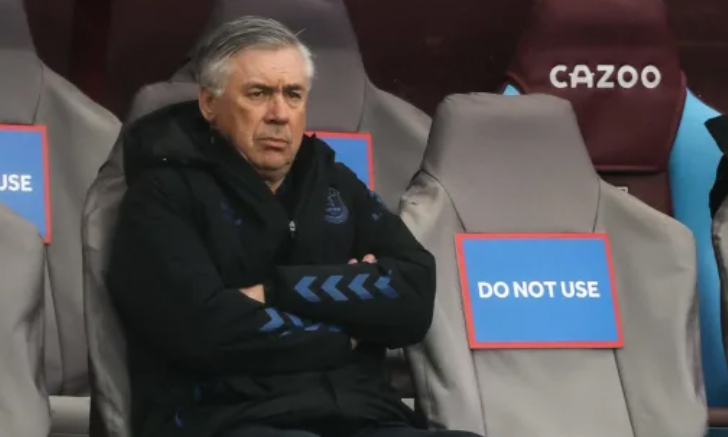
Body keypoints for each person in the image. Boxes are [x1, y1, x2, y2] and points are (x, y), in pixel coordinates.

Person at [107, 15, 482, 437]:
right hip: (227, 419)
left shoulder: (330, 180)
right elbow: (206, 329)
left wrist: (275, 291)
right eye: (258, 94)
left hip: (362, 414)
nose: (279, 114)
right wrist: (347, 331)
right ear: (210, 103)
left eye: (293, 94)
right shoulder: (162, 193)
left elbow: (414, 293)